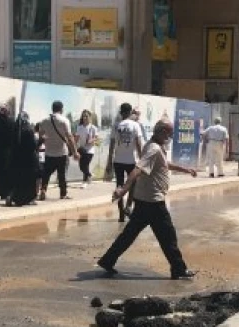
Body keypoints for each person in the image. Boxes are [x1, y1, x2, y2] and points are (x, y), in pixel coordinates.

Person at [98, 120, 198, 280]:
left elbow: (165, 164)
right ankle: (178, 269)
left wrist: (186, 169)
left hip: (144, 200)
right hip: (153, 202)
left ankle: (108, 260)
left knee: (129, 234)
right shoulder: (153, 149)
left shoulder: (154, 146)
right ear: (163, 132)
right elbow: (137, 170)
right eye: (170, 133)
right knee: (168, 236)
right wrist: (123, 189)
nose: (171, 136)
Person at [108, 102, 144, 222]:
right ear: (130, 112)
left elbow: (112, 145)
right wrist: (142, 160)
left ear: (121, 112)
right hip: (131, 161)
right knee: (132, 184)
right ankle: (128, 206)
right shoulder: (135, 125)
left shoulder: (116, 125)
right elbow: (139, 144)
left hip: (118, 160)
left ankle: (121, 215)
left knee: (119, 185)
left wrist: (109, 161)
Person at [39, 100, 79, 201]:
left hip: (49, 153)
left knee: (46, 173)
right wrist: (75, 152)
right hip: (61, 152)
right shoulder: (64, 120)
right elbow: (70, 137)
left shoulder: (44, 121)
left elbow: (41, 136)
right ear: (61, 109)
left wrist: (48, 141)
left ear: (52, 108)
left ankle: (43, 190)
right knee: (62, 174)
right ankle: (63, 194)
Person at [8, 112, 40, 206]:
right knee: (28, 182)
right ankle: (27, 199)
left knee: (18, 181)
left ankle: (14, 198)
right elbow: (33, 146)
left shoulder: (14, 130)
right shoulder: (28, 130)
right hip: (28, 161)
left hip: (16, 159)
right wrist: (41, 140)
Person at [75, 109, 98, 188]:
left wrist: (92, 140)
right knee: (81, 166)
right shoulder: (79, 127)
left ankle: (84, 182)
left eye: (86, 116)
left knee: (85, 165)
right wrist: (74, 147)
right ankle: (89, 175)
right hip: (81, 149)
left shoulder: (93, 127)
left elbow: (97, 138)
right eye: (83, 116)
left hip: (90, 150)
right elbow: (76, 138)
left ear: (90, 117)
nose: (85, 118)